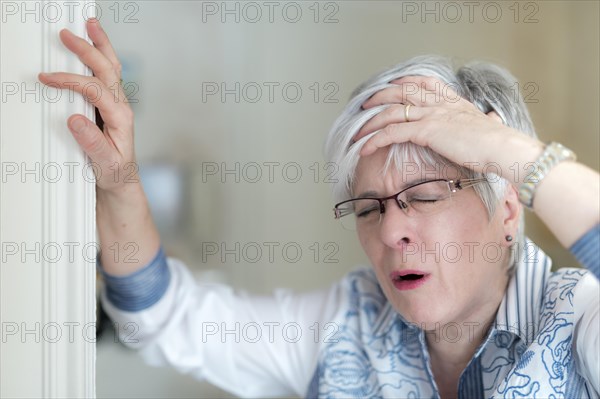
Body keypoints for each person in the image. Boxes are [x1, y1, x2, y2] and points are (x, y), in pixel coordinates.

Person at [39, 18, 599, 398]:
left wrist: (509, 154)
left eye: (425, 195)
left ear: (506, 211)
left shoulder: (578, 323)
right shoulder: (349, 325)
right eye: (368, 208)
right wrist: (118, 185)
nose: (392, 230)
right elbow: (161, 321)